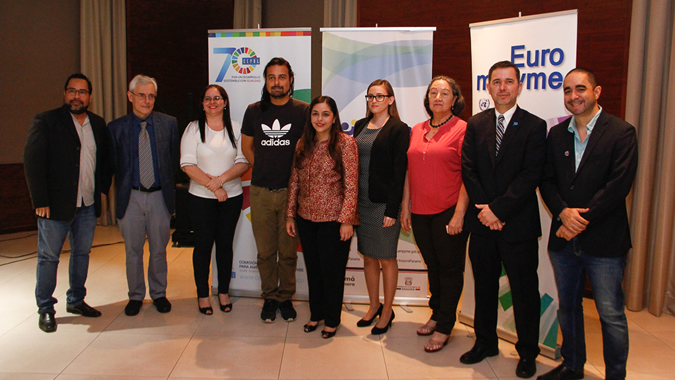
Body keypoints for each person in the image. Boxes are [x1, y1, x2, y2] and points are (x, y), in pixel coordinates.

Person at [538, 69, 638, 380]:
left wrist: (579, 220)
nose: (573, 96)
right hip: (564, 241)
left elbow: (618, 185)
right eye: (567, 90)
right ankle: (572, 366)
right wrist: (563, 214)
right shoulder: (556, 135)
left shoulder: (621, 132)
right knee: (568, 307)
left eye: (580, 89)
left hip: (605, 241)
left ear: (597, 91)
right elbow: (546, 180)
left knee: (610, 315)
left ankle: (615, 375)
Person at [460, 60, 547, 378]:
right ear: (488, 86)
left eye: (509, 81)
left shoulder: (535, 126)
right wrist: (486, 210)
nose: (503, 87)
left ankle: (527, 353)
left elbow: (531, 174)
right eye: (496, 81)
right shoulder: (476, 123)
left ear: (519, 86)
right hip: (482, 224)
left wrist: (498, 210)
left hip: (517, 225)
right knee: (483, 287)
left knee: (524, 291)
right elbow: (468, 168)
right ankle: (485, 342)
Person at [24, 73, 113, 333]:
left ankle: (76, 300)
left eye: (82, 92)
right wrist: (40, 200)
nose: (77, 96)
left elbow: (106, 161)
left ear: (90, 97)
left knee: (82, 254)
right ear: (65, 94)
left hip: (86, 204)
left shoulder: (97, 123)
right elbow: (33, 161)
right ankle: (46, 308)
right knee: (49, 257)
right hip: (55, 206)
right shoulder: (47, 120)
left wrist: (103, 191)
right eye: (72, 91)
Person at [400, 76, 470, 351]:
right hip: (419, 211)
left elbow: (469, 176)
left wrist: (459, 214)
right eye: (433, 92)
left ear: (455, 98)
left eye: (444, 93)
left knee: (450, 268)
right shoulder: (417, 129)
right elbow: (409, 171)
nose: (438, 97)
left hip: (448, 211)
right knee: (434, 266)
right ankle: (436, 312)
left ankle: (444, 325)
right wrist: (405, 206)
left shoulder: (463, 129)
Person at [241, 57, 308, 323]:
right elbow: (246, 147)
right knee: (266, 251)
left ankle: (285, 298)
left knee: (288, 251)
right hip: (260, 192)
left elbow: (309, 149)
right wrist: (264, 166)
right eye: (271, 77)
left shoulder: (303, 111)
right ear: (265, 81)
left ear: (290, 79)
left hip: (293, 194)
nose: (276, 82)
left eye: (281, 77)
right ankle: (269, 297)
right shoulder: (254, 110)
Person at [285, 96, 359, 339]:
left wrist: (347, 219)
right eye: (315, 114)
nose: (320, 119)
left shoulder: (346, 144)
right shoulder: (302, 143)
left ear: (334, 117)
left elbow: (351, 184)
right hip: (306, 218)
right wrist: (290, 215)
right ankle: (315, 314)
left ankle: (332, 320)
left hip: (334, 220)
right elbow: (294, 181)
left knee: (332, 272)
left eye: (325, 114)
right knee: (313, 270)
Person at [109, 74, 179, 316]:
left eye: (151, 96)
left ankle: (159, 294)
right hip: (131, 198)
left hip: (159, 196)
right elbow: (112, 165)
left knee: (159, 249)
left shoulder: (169, 124)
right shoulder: (116, 128)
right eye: (142, 95)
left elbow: (173, 161)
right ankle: (136, 296)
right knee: (133, 250)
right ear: (130, 97)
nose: (147, 101)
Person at [180, 85, 250, 315]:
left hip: (231, 197)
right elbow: (187, 164)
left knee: (224, 246)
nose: (213, 102)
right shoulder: (192, 129)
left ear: (225, 102)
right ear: (202, 103)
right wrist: (214, 188)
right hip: (200, 199)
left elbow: (244, 162)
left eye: (217, 98)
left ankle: (223, 292)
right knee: (202, 246)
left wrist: (219, 181)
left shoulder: (237, 129)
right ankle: (202, 294)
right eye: (208, 98)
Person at [353, 79, 409, 335]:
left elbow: (400, 173)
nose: (374, 101)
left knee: (386, 258)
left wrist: (392, 210)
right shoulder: (361, 125)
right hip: (361, 201)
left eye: (379, 96)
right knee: (368, 256)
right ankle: (374, 305)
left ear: (390, 99)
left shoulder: (398, 129)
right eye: (370, 97)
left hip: (384, 204)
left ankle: (387, 310)